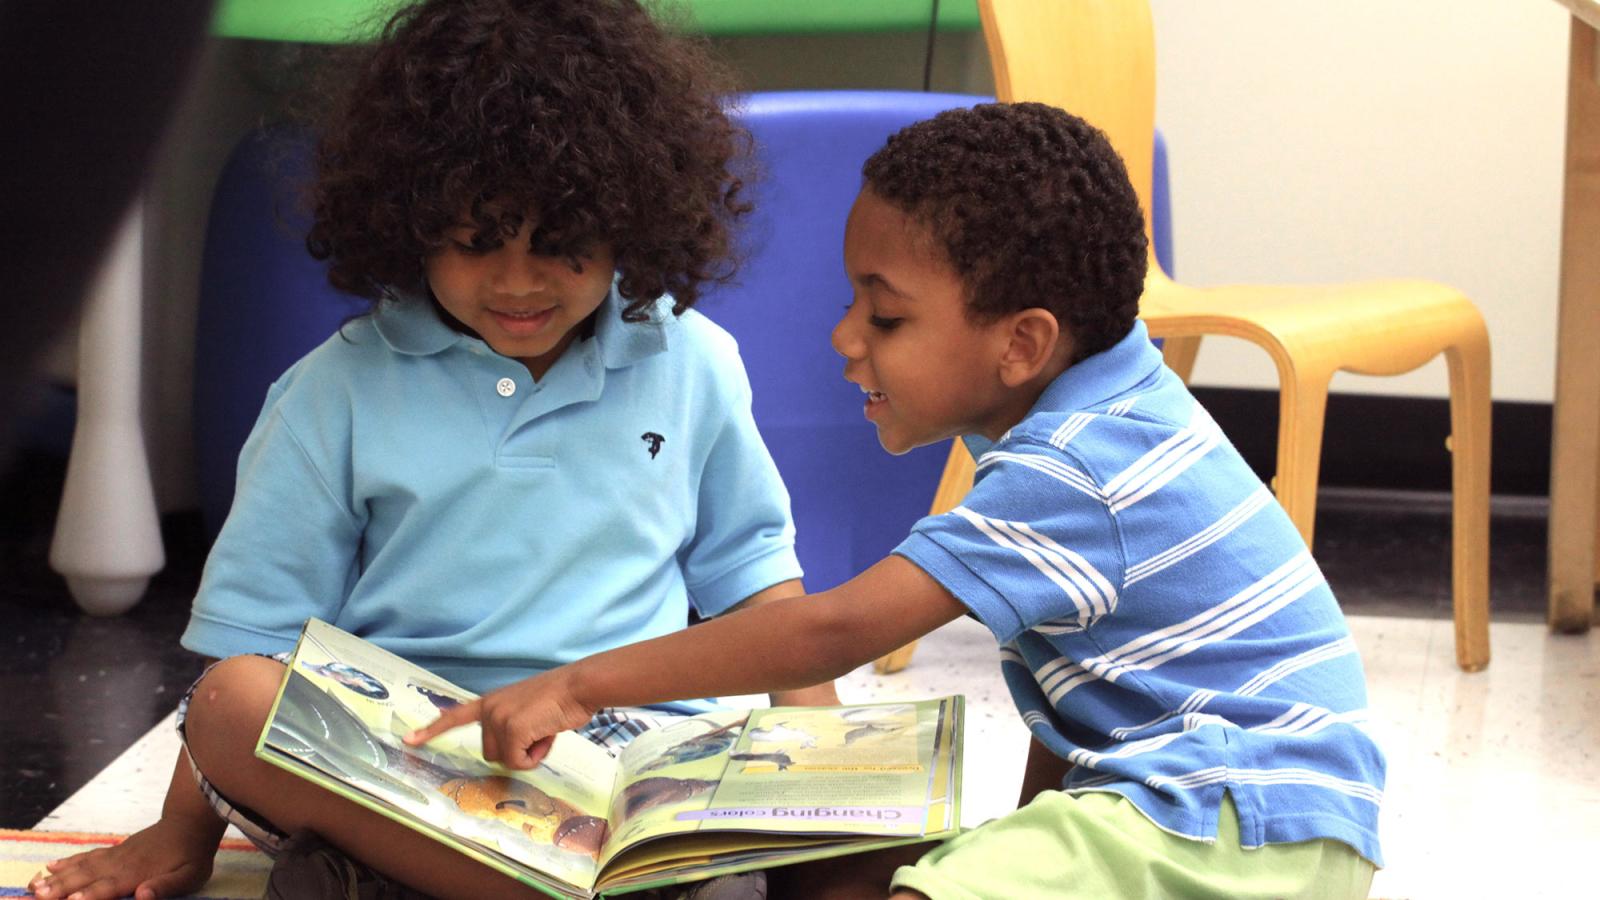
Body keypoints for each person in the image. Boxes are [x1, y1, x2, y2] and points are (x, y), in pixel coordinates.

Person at [408, 102, 1387, 900]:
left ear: (1021, 344)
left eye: (884, 315)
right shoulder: (1112, 404)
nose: (844, 338)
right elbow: (1076, 718)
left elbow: (827, 633)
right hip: (1242, 814)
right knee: (878, 868)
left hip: (1227, 818)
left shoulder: (1071, 471)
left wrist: (577, 686)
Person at [28, 2, 835, 899]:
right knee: (232, 703)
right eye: (476, 241)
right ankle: (492, 876)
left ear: (632, 220)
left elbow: (761, 588)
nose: (518, 280)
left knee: (815, 812)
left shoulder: (696, 361)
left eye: (562, 245)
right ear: (409, 221)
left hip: (631, 753)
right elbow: (252, 641)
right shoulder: (329, 395)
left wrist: (829, 785)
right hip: (413, 752)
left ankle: (402, 878)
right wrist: (181, 834)